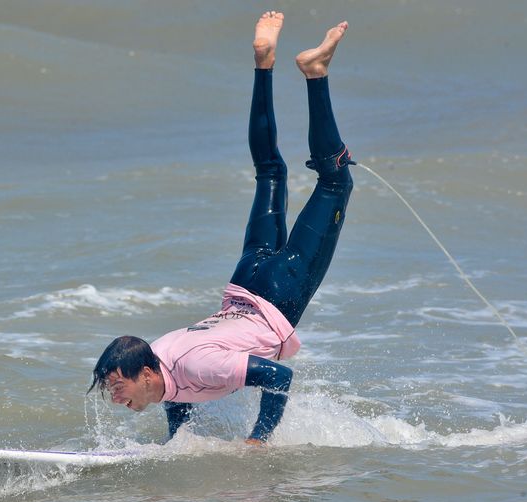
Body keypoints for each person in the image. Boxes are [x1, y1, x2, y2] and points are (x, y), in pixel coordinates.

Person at [88, 12, 355, 445]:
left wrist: (258, 440)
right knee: (268, 172)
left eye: (118, 388)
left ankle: (316, 72)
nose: (116, 399)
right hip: (244, 283)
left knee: (334, 181)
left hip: (276, 294)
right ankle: (263, 63)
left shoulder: (195, 367)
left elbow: (278, 377)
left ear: (147, 373)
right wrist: (176, 451)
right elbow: (180, 404)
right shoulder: (164, 363)